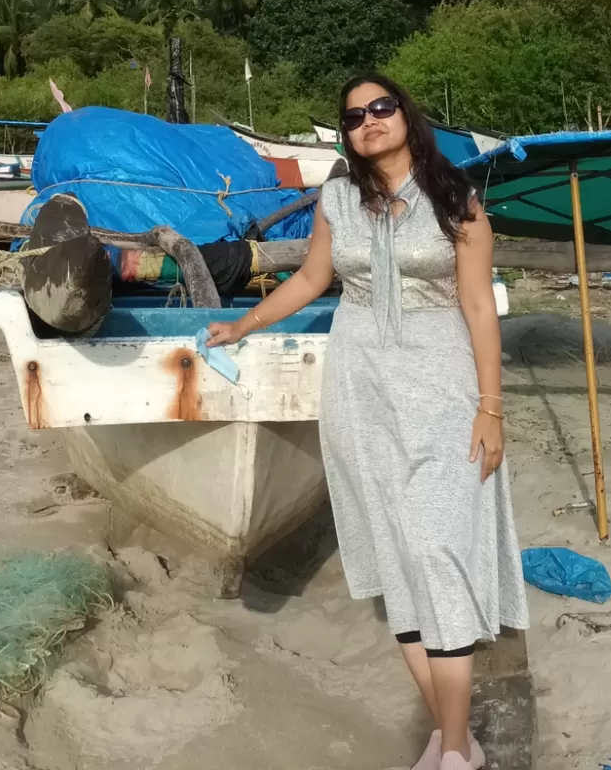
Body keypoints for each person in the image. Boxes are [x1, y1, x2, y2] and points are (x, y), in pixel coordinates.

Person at [207, 73, 527, 770]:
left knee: (440, 549)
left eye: (382, 108)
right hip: (360, 388)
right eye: (354, 117)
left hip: (442, 388)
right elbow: (311, 280)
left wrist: (492, 407)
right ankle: (457, 742)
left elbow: (479, 308)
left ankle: (449, 746)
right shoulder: (337, 199)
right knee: (395, 552)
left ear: (407, 117)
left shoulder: (458, 203)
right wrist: (244, 324)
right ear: (346, 135)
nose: (369, 121)